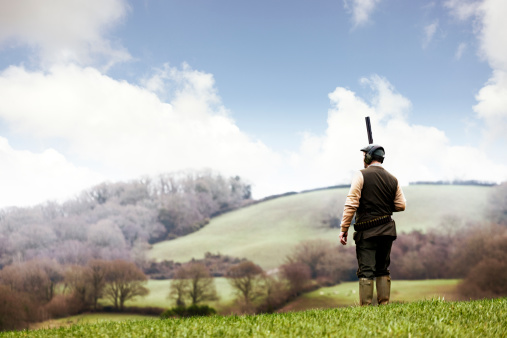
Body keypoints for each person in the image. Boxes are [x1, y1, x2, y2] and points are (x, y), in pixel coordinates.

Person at [339, 144, 406, 306]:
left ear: (368, 157)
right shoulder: (393, 179)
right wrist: (382, 205)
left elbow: (351, 204)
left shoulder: (360, 175)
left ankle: (366, 308)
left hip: (367, 232)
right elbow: (401, 205)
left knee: (366, 271)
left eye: (364, 156)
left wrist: (344, 228)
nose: (363, 159)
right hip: (387, 231)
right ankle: (384, 306)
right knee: (383, 269)